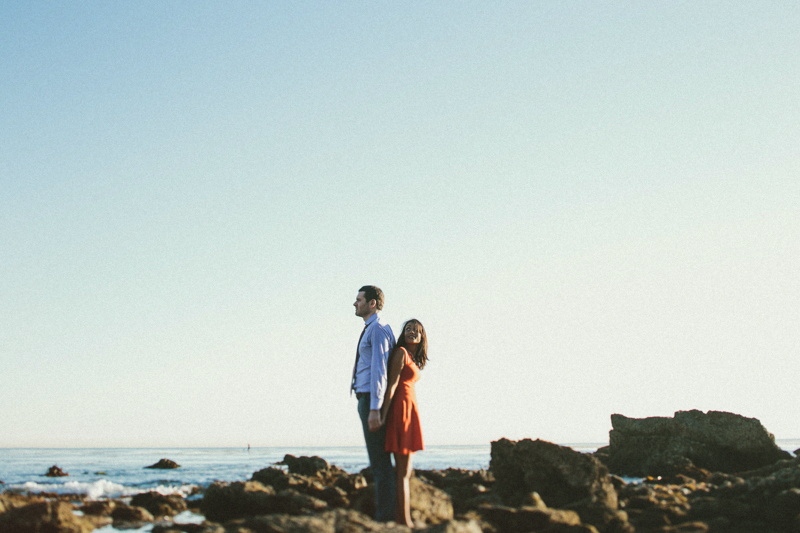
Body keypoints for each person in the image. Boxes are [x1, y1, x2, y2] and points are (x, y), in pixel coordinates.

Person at [351, 285, 396, 522]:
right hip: (367, 398)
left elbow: (380, 370)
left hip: (370, 399)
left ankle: (385, 519)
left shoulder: (377, 329)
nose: (354, 303)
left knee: (379, 464)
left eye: (359, 299)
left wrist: (375, 409)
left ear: (372, 304)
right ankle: (386, 515)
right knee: (380, 462)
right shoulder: (374, 329)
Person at [380, 318, 428, 527]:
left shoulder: (413, 358)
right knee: (402, 472)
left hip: (410, 410)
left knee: (405, 472)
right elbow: (391, 386)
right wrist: (382, 415)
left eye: (415, 330)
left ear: (421, 337)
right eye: (407, 329)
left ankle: (403, 518)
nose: (411, 332)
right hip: (400, 411)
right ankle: (404, 520)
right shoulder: (400, 352)